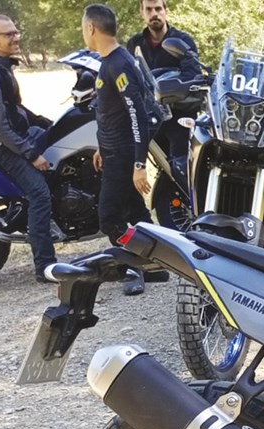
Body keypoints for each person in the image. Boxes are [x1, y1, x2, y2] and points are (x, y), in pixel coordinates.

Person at [82, 4, 169, 295]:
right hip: (112, 151)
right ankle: (156, 265)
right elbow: (109, 112)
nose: (84, 33)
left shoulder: (120, 64)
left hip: (123, 155)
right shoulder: (109, 61)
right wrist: (100, 147)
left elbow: (137, 116)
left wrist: (138, 165)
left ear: (91, 28)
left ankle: (133, 267)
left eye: (83, 28)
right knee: (137, 212)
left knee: (110, 218)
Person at [0, 14, 56, 283]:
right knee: (39, 194)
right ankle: (45, 266)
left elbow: (15, 108)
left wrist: (50, 124)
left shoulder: (2, 67)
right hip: (4, 146)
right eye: (8, 34)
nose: (16, 37)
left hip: (20, 135)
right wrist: (32, 154)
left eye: (16, 32)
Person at [127, 0, 201, 184]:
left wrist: (168, 87)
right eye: (149, 9)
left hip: (179, 116)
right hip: (150, 117)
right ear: (142, 13)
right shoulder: (135, 43)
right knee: (150, 167)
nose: (154, 13)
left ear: (166, 11)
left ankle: (190, 200)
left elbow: (193, 75)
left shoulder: (183, 41)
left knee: (181, 170)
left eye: (158, 8)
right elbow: (129, 78)